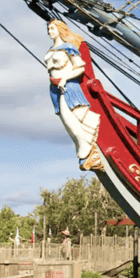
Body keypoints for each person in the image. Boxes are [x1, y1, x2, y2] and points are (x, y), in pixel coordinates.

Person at [46, 20, 103, 171]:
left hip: (67, 85)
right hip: (54, 88)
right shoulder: (51, 50)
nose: (49, 31)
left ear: (60, 29)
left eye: (52, 28)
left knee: (69, 117)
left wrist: (65, 79)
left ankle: (86, 146)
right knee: (65, 122)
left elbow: (79, 68)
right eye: (48, 29)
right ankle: (82, 146)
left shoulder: (69, 48)